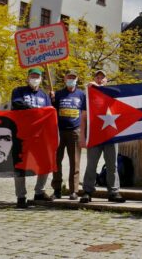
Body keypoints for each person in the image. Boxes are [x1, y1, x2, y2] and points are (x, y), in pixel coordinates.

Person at [81, 68, 126, 204]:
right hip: (94, 135)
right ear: (94, 79)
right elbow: (83, 117)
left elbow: (120, 93)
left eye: (102, 78)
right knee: (91, 165)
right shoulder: (88, 96)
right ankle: (87, 191)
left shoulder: (112, 94)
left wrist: (100, 89)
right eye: (97, 78)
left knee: (112, 165)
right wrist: (82, 136)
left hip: (111, 135)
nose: (100, 80)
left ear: (106, 81)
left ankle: (113, 192)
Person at [11, 66, 53, 208]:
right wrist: (35, 111)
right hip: (21, 135)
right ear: (28, 78)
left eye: (37, 77)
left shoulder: (44, 96)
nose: (34, 79)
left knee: (46, 163)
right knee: (20, 165)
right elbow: (17, 104)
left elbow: (48, 114)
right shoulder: (18, 91)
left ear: (41, 79)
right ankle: (21, 197)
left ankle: (39, 191)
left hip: (39, 136)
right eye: (32, 76)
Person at [51, 69, 86, 200]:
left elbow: (84, 114)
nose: (71, 79)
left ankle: (74, 190)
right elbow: (51, 110)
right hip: (59, 131)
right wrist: (52, 98)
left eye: (73, 77)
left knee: (75, 162)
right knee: (56, 161)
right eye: (68, 77)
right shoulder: (59, 94)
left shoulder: (81, 95)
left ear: (76, 79)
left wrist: (83, 133)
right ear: (65, 79)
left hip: (75, 131)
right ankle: (57, 189)